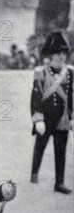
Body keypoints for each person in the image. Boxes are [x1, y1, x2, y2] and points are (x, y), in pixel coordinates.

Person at [30, 31, 73, 194]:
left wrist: (72, 116)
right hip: (46, 117)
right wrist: (37, 119)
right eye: (58, 53)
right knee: (40, 146)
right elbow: (36, 97)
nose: (62, 57)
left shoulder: (69, 73)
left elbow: (71, 95)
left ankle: (59, 182)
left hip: (62, 117)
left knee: (61, 150)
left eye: (64, 53)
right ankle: (34, 172)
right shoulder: (41, 72)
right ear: (51, 55)